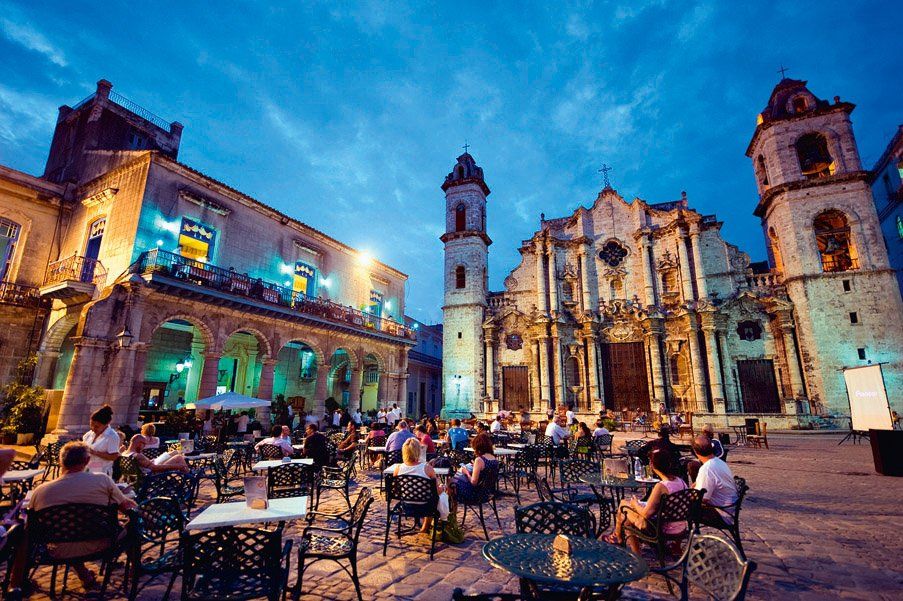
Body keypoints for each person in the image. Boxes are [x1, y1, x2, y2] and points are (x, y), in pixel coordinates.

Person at [28, 442, 137, 588]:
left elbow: (32, 524)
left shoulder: (40, 491)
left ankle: (84, 575)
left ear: (61, 461)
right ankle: (136, 567)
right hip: (101, 542)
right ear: (87, 460)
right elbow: (126, 507)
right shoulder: (102, 480)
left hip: (60, 548)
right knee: (133, 525)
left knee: (69, 526)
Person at [607, 449, 689, 552]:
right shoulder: (681, 482)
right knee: (626, 508)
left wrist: (635, 503)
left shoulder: (661, 486)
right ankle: (618, 536)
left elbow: (645, 514)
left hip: (661, 529)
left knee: (624, 508)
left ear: (652, 465)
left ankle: (625, 544)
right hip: (680, 527)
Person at [389, 438, 449, 533]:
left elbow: (396, 490)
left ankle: (424, 527)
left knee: (430, 497)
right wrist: (442, 487)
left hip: (406, 505)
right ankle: (429, 526)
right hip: (425, 507)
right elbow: (436, 492)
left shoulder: (398, 469)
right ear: (418, 451)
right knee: (437, 497)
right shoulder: (427, 468)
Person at [692, 435, 739, 525]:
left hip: (722, 514)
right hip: (730, 510)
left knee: (684, 508)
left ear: (695, 452)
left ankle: (678, 530)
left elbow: (702, 498)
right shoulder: (718, 462)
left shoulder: (707, 469)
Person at [454, 433, 498, 501]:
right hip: (486, 492)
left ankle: (451, 506)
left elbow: (474, 482)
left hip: (475, 494)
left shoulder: (479, 460)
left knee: (452, 482)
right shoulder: (494, 458)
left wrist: (466, 472)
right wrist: (476, 466)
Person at [82, 405, 121, 476]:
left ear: (106, 424)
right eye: (91, 425)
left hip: (102, 471)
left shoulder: (112, 436)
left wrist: (94, 452)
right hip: (87, 469)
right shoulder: (89, 434)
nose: (93, 428)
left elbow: (114, 456)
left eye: (97, 426)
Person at [123, 435, 189, 473]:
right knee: (178, 458)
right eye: (144, 444)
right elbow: (154, 468)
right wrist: (177, 466)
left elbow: (146, 465)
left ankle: (188, 475)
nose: (144, 447)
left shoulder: (125, 453)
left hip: (148, 470)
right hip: (152, 475)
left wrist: (149, 461)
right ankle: (190, 477)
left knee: (174, 453)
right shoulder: (137, 455)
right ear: (139, 443)